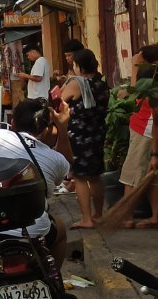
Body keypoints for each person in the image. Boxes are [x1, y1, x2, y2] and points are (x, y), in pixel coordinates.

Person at [0, 98, 72, 299]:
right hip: (31, 231)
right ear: (46, 129)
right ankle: (50, 279)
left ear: (13, 123)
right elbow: (67, 165)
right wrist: (62, 128)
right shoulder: (55, 159)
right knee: (60, 229)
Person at [60, 48, 109, 229]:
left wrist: (69, 78)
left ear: (79, 66)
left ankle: (86, 218)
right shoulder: (101, 83)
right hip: (97, 132)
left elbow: (60, 99)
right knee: (95, 176)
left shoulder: (77, 83)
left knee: (80, 177)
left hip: (80, 136)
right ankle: (98, 214)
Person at [118, 44, 158, 228]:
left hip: (145, 129)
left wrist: (135, 66)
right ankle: (155, 216)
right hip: (145, 128)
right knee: (151, 176)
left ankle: (126, 217)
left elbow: (132, 92)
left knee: (131, 174)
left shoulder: (151, 76)